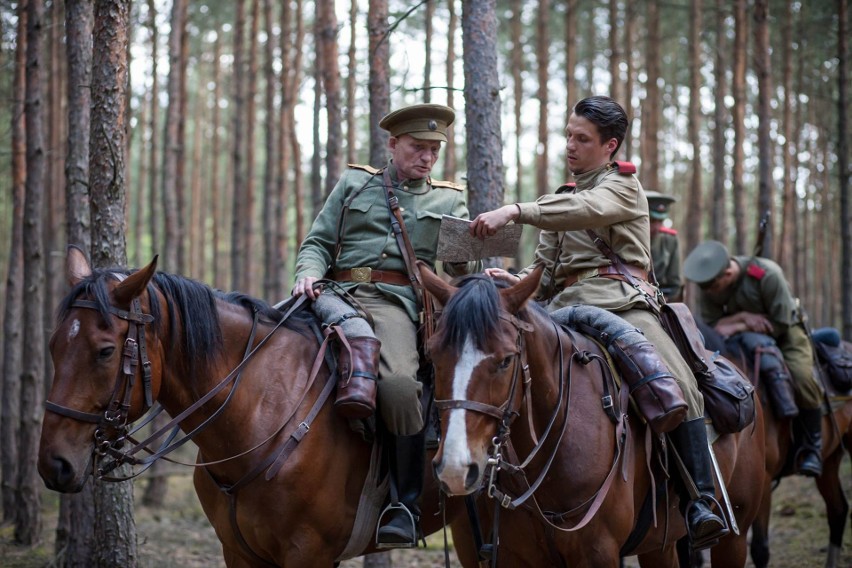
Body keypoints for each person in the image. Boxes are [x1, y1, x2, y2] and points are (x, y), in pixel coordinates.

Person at [468, 95, 728, 550]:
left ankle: (701, 499)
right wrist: (518, 280)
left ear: (610, 146)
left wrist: (515, 210)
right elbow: (546, 274)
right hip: (563, 309)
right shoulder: (562, 200)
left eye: (581, 139)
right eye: (568, 135)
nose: (570, 146)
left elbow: (589, 211)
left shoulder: (622, 188)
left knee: (677, 384)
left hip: (623, 305)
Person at [291, 103, 473, 547]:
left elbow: (458, 267)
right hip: (333, 293)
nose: (427, 157)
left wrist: (470, 245)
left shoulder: (449, 199)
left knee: (395, 384)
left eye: (434, 149)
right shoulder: (355, 183)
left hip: (394, 303)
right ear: (393, 145)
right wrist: (307, 272)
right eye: (418, 147)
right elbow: (317, 242)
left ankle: (404, 503)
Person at [683, 239, 824, 477]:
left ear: (727, 273)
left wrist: (736, 324)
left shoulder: (767, 274)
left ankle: (812, 447)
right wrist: (743, 321)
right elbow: (714, 325)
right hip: (741, 337)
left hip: (785, 332)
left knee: (801, 378)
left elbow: (780, 321)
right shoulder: (711, 283)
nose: (709, 293)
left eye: (712, 288)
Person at [646, 190, 683, 302]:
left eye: (660, 221)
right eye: (652, 220)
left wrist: (662, 299)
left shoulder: (669, 240)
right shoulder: (626, 236)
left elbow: (674, 284)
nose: (657, 227)